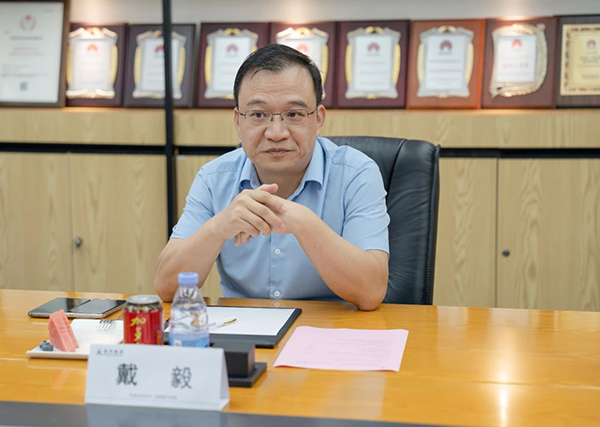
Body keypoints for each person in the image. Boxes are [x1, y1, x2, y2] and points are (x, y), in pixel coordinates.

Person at [154, 44, 389, 310]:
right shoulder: (213, 178)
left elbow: (371, 292)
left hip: (330, 328)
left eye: (294, 114)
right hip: (243, 328)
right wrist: (218, 227)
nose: (276, 133)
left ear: (318, 119)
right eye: (258, 115)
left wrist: (302, 221)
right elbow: (166, 287)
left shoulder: (357, 174)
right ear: (238, 122)